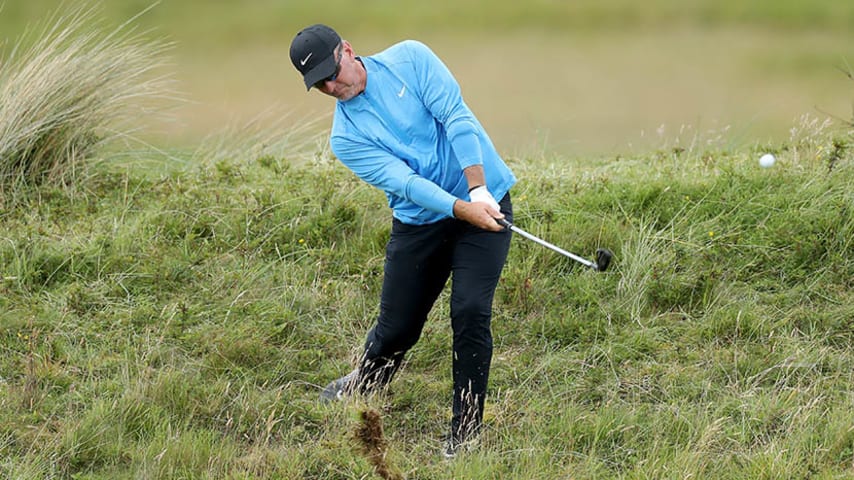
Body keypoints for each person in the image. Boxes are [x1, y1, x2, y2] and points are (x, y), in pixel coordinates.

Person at [289, 24, 516, 458]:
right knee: (396, 330)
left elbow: (456, 116)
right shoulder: (345, 138)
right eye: (319, 84)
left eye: (331, 73)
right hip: (421, 222)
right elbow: (406, 183)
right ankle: (363, 383)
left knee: (469, 311)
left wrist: (478, 190)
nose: (331, 87)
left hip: (484, 200)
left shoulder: (411, 59)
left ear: (348, 51)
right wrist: (460, 207)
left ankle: (465, 434)